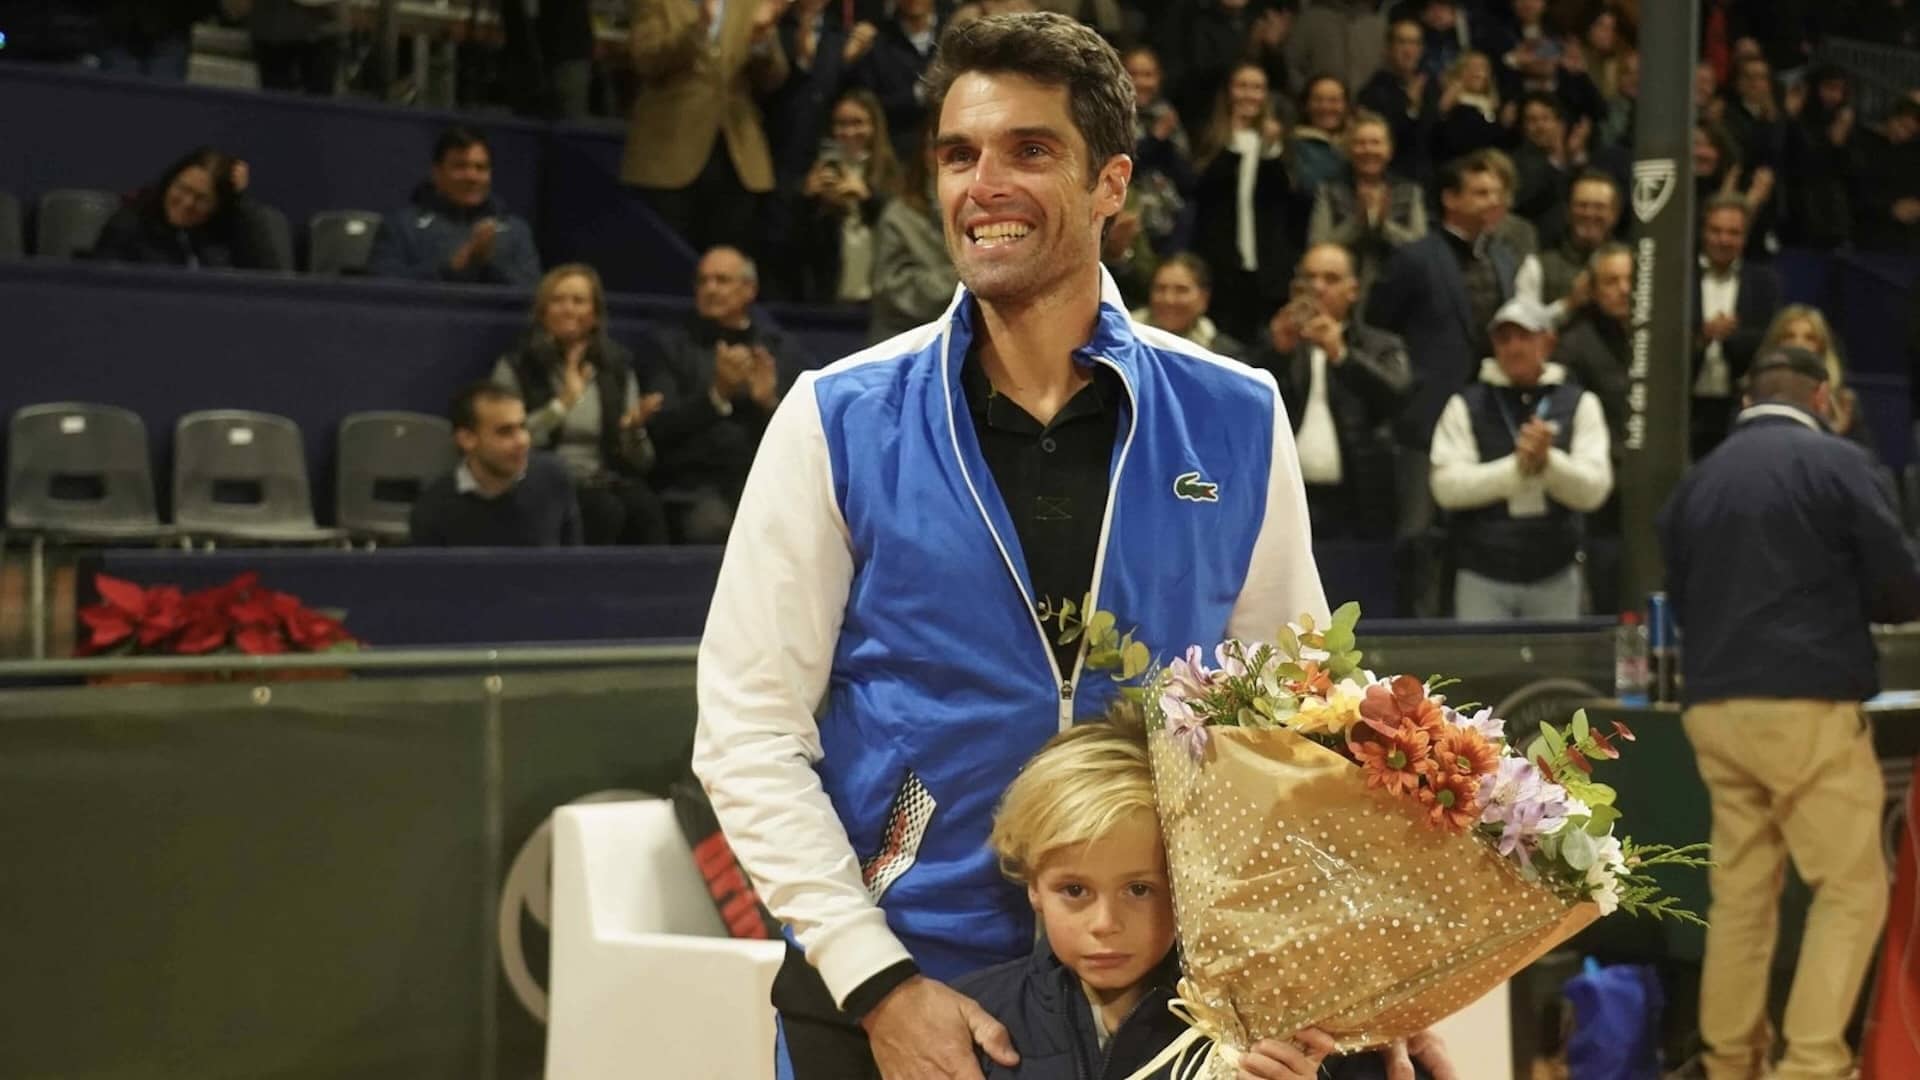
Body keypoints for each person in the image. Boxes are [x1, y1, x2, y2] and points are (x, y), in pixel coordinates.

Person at [690, 14, 1451, 1079]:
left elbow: (1295, 722)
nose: (982, 183)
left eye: (1029, 151)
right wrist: (876, 981)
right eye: (959, 155)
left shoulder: (1235, 414)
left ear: (1111, 184)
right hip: (904, 986)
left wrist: (1362, 963)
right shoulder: (838, 418)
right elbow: (746, 732)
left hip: (1157, 1000)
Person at [1658, 343, 1920, 1080]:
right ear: (1823, 398)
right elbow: (1900, 586)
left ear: (1746, 401)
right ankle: (1809, 1066)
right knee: (1852, 888)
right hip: (1802, 704)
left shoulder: (1696, 483)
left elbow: (1679, 594)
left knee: (1742, 895)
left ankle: (1729, 1061)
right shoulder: (1837, 463)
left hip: (1713, 706)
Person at [955, 716, 1431, 1080]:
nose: (1105, 923)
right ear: (1033, 885)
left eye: (1139, 889)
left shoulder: (1287, 1028)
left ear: (1189, 883)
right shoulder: (971, 1020)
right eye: (1074, 890)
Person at [1365, 151, 1518, 616]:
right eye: (1480, 192)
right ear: (1450, 199)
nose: (1492, 201)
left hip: (1489, 412)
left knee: (1481, 530)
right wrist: (1407, 384)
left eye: (1495, 192)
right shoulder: (1415, 257)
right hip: (1425, 415)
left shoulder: (1506, 260)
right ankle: (1418, 634)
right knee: (1418, 533)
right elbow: (1376, 325)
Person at [1430, 296, 1611, 620]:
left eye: (1524, 336)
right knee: (1484, 670)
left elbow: (1595, 489)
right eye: (1503, 338)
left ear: (1548, 341)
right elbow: (1445, 487)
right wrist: (1516, 470)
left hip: (1556, 572)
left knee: (1554, 671)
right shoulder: (1466, 404)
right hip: (1482, 575)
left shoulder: (1580, 403)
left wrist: (1548, 464)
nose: (1513, 347)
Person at [489, 264, 666, 545]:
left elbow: (643, 462)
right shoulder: (516, 365)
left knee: (646, 509)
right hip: (540, 478)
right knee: (604, 510)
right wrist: (562, 404)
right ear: (543, 312)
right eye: (557, 300)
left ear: (595, 315)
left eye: (578, 301)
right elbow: (502, 440)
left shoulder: (616, 367)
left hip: (605, 478)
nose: (568, 309)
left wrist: (634, 430)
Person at [1251, 242, 1412, 542]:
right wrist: (1276, 354)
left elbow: (1397, 396)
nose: (1317, 287)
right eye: (1309, 278)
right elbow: (1240, 409)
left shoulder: (1381, 345)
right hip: (1283, 501)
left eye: (1330, 279)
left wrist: (1342, 355)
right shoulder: (1277, 340)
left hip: (1358, 503)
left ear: (1353, 290)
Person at [643, 246, 801, 543]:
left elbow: (804, 433)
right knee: (714, 526)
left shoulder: (779, 349)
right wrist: (717, 395)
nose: (710, 289)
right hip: (693, 484)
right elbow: (660, 426)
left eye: (721, 280)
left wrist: (767, 404)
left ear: (749, 290)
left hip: (762, 479)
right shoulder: (668, 345)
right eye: (703, 281)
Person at [625, 0, 789, 258]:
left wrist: (760, 41)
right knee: (668, 263)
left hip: (737, 154)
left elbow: (773, 77)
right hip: (671, 153)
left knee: (730, 264)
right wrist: (698, 28)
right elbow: (646, 60)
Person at [1191, 61, 1296, 344]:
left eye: (1257, 88)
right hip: (1222, 266)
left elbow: (1282, 199)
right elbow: (1207, 193)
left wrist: (1271, 150)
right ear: (1229, 92)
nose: (1249, 94)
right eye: (1242, 86)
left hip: (1265, 268)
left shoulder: (1278, 144)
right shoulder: (1210, 138)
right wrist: (1231, 144)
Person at [408, 381, 583, 547]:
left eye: (523, 427)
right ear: (467, 439)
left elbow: (573, 567)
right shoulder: (433, 509)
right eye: (505, 432)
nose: (522, 441)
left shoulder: (552, 478)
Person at [367, 127, 541, 287]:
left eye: (480, 168)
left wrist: (488, 264)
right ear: (437, 173)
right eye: (460, 166)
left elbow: (534, 292)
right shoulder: (401, 227)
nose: (472, 176)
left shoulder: (516, 231)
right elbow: (381, 285)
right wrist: (450, 267)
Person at [1691, 195, 1782, 460]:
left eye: (1733, 233)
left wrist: (1730, 336)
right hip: (1684, 404)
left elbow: (1769, 342)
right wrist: (1702, 337)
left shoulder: (1765, 282)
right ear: (1703, 231)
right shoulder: (1680, 276)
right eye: (1716, 231)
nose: (1723, 240)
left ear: (1745, 237)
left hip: (1738, 405)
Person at [90, 147, 282, 270]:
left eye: (202, 198)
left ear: (217, 206)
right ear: (169, 182)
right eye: (182, 188)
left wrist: (240, 203)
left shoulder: (223, 233)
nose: (187, 202)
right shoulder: (128, 225)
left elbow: (267, 277)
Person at [794, 89, 903, 304]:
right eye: (841, 124)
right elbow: (798, 245)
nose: (849, 132)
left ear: (874, 126)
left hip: (880, 294)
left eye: (858, 123)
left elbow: (902, 230)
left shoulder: (892, 172)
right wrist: (807, 199)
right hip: (830, 293)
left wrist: (867, 197)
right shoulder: (821, 171)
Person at [1308, 109, 1427, 303]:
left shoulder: (1409, 191)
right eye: (1360, 143)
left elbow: (1421, 249)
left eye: (1375, 143)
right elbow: (1318, 245)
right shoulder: (1330, 190)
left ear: (1389, 150)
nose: (1368, 150)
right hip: (1343, 292)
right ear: (1350, 149)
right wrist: (1357, 222)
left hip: (1399, 289)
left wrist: (1383, 226)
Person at [869, 127, 960, 343]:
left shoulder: (983, 208)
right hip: (905, 343)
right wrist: (963, 278)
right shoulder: (899, 216)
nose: (943, 156)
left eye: (958, 149)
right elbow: (893, 291)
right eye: (935, 147)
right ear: (923, 154)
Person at [1761, 303, 1875, 455]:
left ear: (1821, 347)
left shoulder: (1842, 402)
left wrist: (1836, 436)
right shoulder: (1756, 396)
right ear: (1776, 344)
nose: (1798, 344)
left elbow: (1864, 461)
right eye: (1789, 336)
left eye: (1809, 338)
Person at [1358, 18, 1443, 187]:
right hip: (1391, 179)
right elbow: (1389, 140)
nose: (1408, 50)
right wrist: (1410, 107)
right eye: (1402, 42)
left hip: (1429, 177)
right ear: (1388, 48)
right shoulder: (1374, 90)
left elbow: (1435, 136)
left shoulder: (1429, 85)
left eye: (1415, 43)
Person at [1130, 254, 1246, 361]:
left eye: (1181, 290)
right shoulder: (1124, 337)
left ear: (1203, 298)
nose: (1169, 299)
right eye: (1160, 289)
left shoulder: (1224, 356)